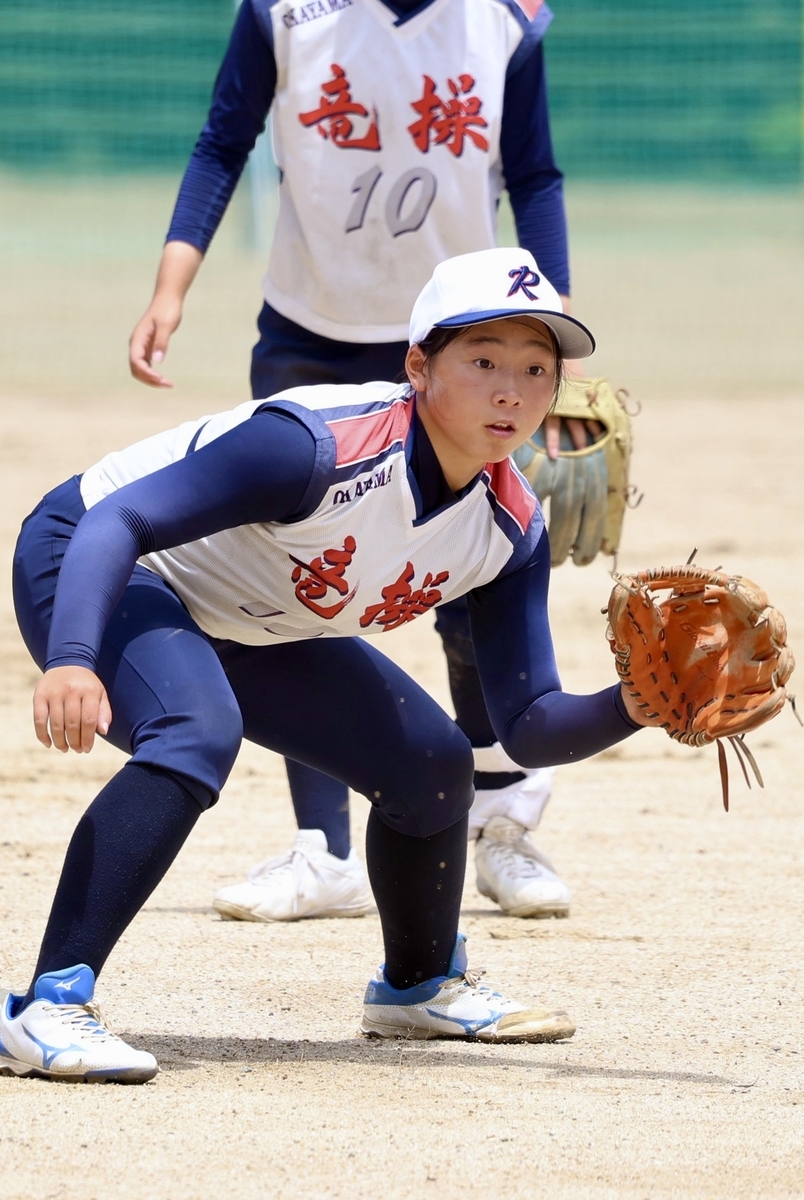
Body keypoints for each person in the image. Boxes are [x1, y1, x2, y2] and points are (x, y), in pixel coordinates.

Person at [0, 250, 648, 1083]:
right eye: (482, 362)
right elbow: (118, 521)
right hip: (101, 561)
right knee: (194, 727)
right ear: (418, 366)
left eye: (535, 369)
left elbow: (528, 724)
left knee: (434, 763)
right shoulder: (316, 446)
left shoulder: (508, 527)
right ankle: (46, 1006)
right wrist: (74, 659)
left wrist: (638, 704)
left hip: (254, 613)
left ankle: (419, 985)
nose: (511, 392)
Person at [128, 0, 588, 923]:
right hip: (312, 332)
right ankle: (324, 849)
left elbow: (534, 175)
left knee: (474, 589)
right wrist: (170, 289)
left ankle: (501, 822)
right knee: (299, 584)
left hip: (469, 345)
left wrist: (556, 348)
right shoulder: (284, 13)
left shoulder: (506, 22)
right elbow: (224, 142)